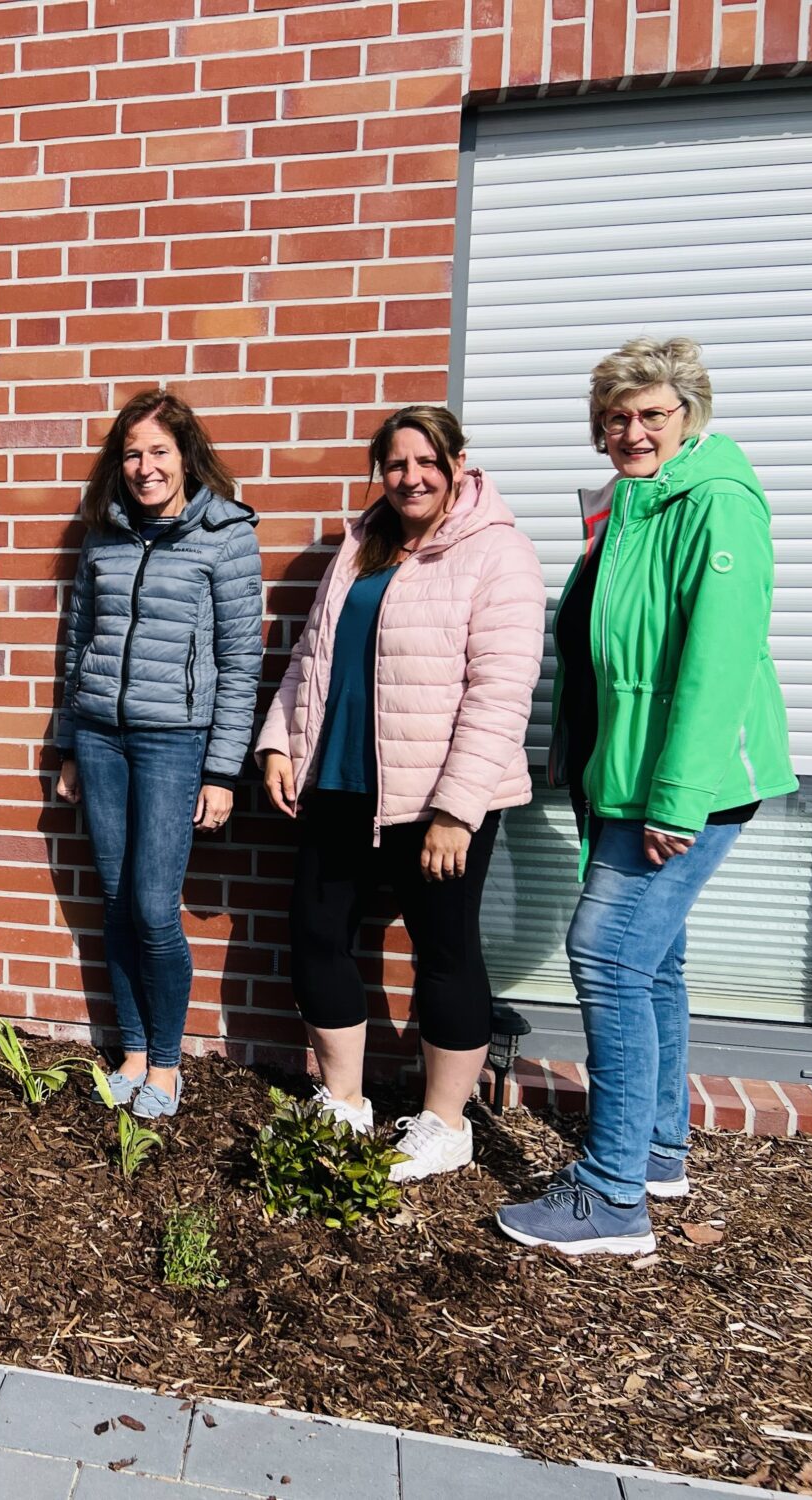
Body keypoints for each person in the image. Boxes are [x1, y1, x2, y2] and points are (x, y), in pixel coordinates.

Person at [498, 338, 795, 1254]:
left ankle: (611, 1194)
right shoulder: (631, 503)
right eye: (617, 416)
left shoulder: (716, 504)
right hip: (625, 778)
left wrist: (677, 798)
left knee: (608, 955)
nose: (631, 430)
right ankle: (658, 1149)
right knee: (653, 963)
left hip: (682, 785)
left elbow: (715, 665)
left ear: (689, 415)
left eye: (651, 414)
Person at [256, 405, 543, 1181]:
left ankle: (446, 1124)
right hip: (340, 782)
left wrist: (457, 809)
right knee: (315, 934)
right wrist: (280, 741)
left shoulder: (498, 553)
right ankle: (345, 1102)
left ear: (455, 463)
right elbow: (312, 656)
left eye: (425, 462)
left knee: (444, 952)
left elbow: (501, 692)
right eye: (394, 464)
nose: (410, 478)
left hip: (438, 798)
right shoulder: (363, 542)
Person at [53, 389, 262, 1119]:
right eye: (133, 453)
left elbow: (241, 661)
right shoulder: (103, 536)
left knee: (151, 905)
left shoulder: (227, 534)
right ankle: (134, 1051)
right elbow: (74, 647)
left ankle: (168, 1065)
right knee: (115, 902)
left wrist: (223, 769)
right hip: (101, 737)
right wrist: (69, 746)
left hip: (176, 743)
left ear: (185, 455)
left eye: (159, 452)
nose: (145, 467)